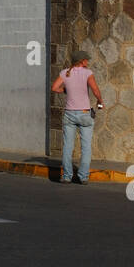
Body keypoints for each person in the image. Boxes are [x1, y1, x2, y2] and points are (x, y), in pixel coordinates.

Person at [50, 51, 104, 185]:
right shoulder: (87, 73)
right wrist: (100, 101)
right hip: (85, 113)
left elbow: (55, 88)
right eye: (86, 59)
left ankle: (67, 176)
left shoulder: (64, 73)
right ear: (81, 61)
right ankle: (83, 177)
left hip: (69, 114)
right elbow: (95, 90)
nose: (87, 61)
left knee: (68, 146)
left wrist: (66, 90)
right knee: (86, 147)